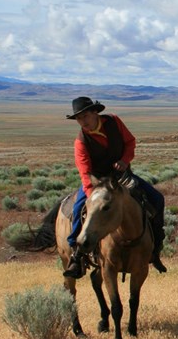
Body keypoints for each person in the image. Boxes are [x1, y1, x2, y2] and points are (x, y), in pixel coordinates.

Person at [63, 96, 167, 278]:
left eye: (85, 116)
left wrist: (124, 161)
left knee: (157, 200)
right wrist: (93, 196)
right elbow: (85, 172)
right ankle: (76, 255)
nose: (82, 122)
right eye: (79, 119)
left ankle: (155, 249)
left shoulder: (114, 122)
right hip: (96, 183)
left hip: (122, 178)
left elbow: (130, 142)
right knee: (78, 209)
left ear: (96, 113)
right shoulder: (81, 142)